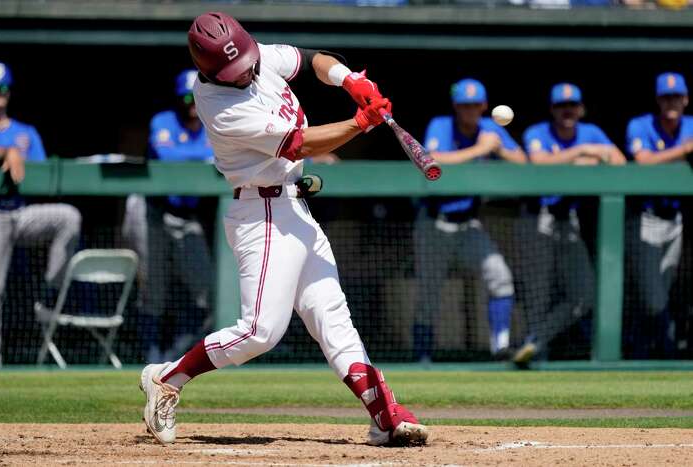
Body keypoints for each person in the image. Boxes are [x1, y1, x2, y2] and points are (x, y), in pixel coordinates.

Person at [139, 12, 428, 447]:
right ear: (210, 70)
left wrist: (351, 80)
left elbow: (312, 60)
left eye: (250, 62)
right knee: (260, 332)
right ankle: (166, 378)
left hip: (293, 205)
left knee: (332, 317)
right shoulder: (221, 106)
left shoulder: (251, 57)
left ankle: (384, 416)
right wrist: (360, 123)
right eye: (237, 72)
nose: (249, 73)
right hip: (262, 214)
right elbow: (299, 142)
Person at [413, 79, 526, 362]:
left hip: (469, 225)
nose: (470, 111)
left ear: (484, 106)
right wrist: (480, 150)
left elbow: (524, 163)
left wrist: (499, 149)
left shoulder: (491, 129)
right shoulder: (441, 124)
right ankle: (422, 358)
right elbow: (431, 158)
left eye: (475, 105)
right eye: (465, 105)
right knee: (429, 295)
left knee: (500, 276)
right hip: (434, 223)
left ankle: (500, 347)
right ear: (456, 106)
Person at [514, 83, 625, 366]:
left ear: (581, 108)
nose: (567, 111)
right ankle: (536, 356)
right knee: (538, 294)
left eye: (572, 105)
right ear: (552, 110)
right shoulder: (537, 132)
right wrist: (584, 154)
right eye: (561, 106)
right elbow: (539, 162)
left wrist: (583, 153)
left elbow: (620, 161)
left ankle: (534, 342)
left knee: (583, 296)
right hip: (539, 217)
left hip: (569, 221)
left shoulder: (591, 132)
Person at [0, 62, 81, 368]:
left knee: (67, 217)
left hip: (22, 212)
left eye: (3, 88)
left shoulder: (25, 132)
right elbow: (5, 153)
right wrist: (5, 151)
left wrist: (17, 150)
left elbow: (42, 173)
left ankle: (49, 294)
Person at [130, 70, 215, 364]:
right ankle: (150, 356)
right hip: (152, 210)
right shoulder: (163, 121)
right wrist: (204, 157)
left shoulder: (213, 126)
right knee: (153, 289)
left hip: (186, 216)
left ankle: (174, 357)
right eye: (186, 97)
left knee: (207, 290)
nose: (192, 103)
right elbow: (168, 158)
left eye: (197, 97)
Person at [624, 72, 692, 358]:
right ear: (658, 100)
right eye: (666, 97)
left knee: (660, 293)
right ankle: (666, 351)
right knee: (654, 299)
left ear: (686, 99)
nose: (671, 102)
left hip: (675, 220)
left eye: (676, 96)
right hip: (645, 219)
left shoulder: (690, 124)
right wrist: (685, 150)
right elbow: (643, 161)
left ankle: (641, 349)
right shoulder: (641, 125)